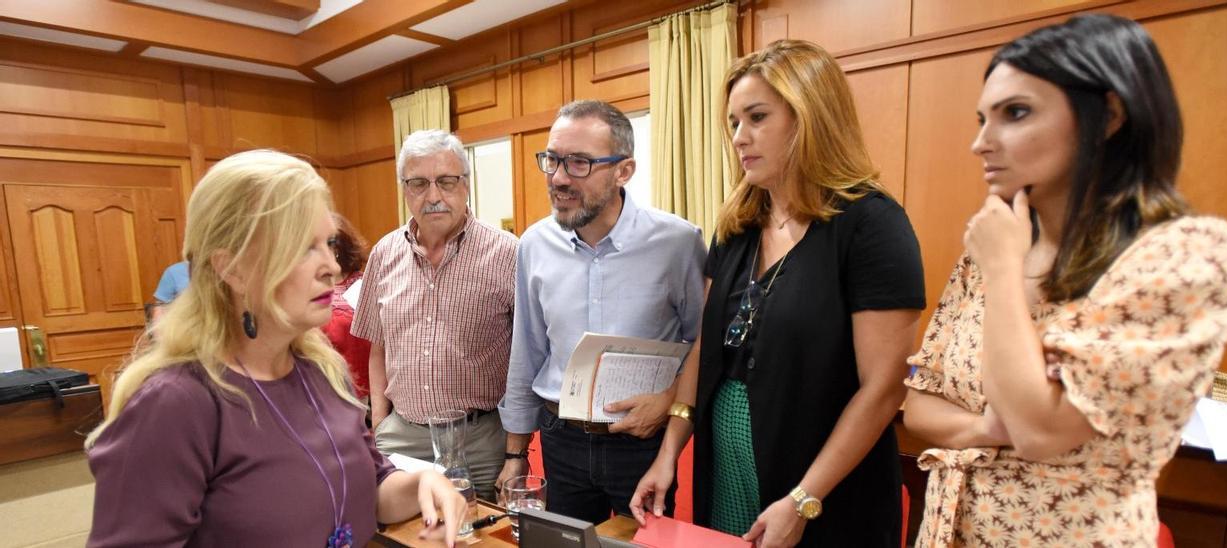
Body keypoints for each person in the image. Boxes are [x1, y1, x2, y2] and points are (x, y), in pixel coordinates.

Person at [901, 14, 1227, 546]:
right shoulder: (1000, 240)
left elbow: (1038, 430)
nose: (981, 142)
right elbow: (919, 406)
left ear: (1108, 115)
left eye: (1015, 113)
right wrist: (984, 430)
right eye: (982, 118)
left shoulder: (1185, 255)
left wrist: (1001, 270)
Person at [85, 150, 465, 547]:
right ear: (232, 268)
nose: (332, 267)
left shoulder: (323, 371)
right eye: (303, 247)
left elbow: (371, 490)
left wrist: (423, 482)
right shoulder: (175, 403)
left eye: (329, 243)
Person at [629, 39, 925, 548]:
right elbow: (705, 348)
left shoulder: (873, 225)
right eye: (734, 123)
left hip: (822, 481)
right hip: (728, 467)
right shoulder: (738, 225)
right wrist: (669, 452)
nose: (740, 137)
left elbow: (883, 389)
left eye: (757, 117)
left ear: (811, 116)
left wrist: (804, 498)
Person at [498, 99, 706, 524]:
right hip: (561, 439)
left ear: (623, 170)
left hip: (643, 439)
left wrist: (668, 401)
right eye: (552, 160)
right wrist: (515, 453)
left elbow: (703, 343)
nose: (557, 178)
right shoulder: (533, 246)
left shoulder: (678, 243)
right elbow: (528, 351)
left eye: (578, 164)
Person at [351, 129, 518, 502]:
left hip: (480, 439)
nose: (433, 196)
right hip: (402, 435)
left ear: (466, 185)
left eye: (446, 181)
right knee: (405, 537)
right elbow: (377, 346)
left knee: (480, 536)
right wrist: (380, 421)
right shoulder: (383, 253)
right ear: (404, 190)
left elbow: (526, 356)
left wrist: (515, 450)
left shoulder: (509, 253)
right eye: (418, 183)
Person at [320, 212, 372, 399]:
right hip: (321, 385)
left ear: (338, 248)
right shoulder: (310, 287)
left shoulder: (360, 287)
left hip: (359, 391)